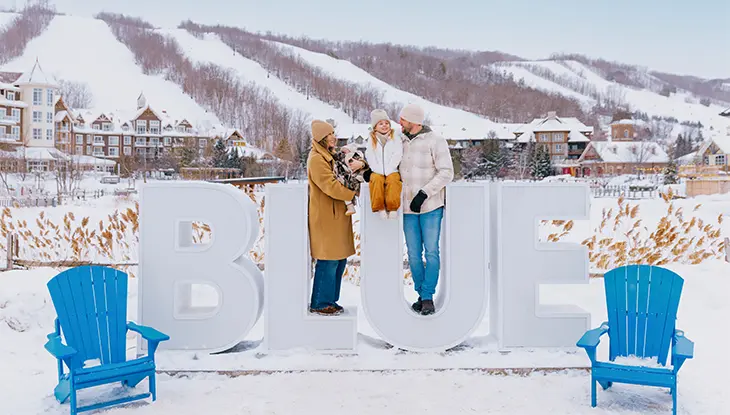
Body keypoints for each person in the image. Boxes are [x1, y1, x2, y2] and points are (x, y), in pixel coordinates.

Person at [398, 103, 454, 315]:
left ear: (413, 121)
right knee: (413, 254)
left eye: (403, 119)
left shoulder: (436, 141)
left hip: (430, 206)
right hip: (406, 208)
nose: (399, 122)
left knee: (431, 252)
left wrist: (424, 193)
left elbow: (446, 172)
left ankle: (428, 296)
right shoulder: (399, 141)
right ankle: (420, 294)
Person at [307, 119, 365, 315]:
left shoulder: (330, 156)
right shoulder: (316, 159)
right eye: (330, 134)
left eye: (333, 133)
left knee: (339, 260)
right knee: (328, 259)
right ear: (322, 138)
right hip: (326, 215)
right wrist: (352, 194)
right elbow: (329, 186)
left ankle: (330, 300)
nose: (334, 137)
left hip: (336, 214)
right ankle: (320, 303)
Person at [365, 109, 403, 220]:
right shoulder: (372, 139)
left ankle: (393, 208)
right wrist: (377, 169)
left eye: (386, 123)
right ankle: (379, 208)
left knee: (393, 181)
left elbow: (398, 153)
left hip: (392, 169)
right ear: (375, 127)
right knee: (376, 180)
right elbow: (370, 155)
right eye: (381, 124)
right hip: (377, 170)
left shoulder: (395, 137)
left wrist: (391, 167)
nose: (384, 126)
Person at [332, 143, 368, 216]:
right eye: (342, 151)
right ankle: (350, 206)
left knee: (346, 190)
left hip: (351, 178)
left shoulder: (353, 156)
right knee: (345, 191)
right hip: (345, 178)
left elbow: (358, 166)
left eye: (345, 150)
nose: (343, 152)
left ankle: (350, 206)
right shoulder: (340, 158)